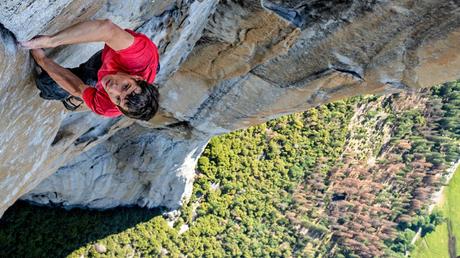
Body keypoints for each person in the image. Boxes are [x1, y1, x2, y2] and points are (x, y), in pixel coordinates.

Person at [21, 19, 160, 121]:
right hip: (129, 63)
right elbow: (107, 30)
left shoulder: (107, 107)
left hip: (116, 72)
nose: (113, 88)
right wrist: (52, 41)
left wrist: (42, 60)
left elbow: (77, 89)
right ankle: (91, 94)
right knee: (96, 68)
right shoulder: (139, 58)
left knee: (49, 85)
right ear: (137, 78)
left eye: (118, 98)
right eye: (126, 86)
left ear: (118, 108)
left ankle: (86, 100)